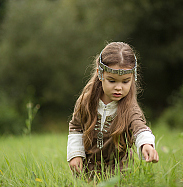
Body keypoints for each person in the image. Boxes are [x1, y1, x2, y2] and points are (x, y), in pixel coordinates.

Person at [67, 42, 159, 177]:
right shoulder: (86, 101)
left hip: (120, 172)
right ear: (100, 74)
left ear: (133, 78)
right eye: (112, 81)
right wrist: (75, 154)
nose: (118, 87)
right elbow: (76, 127)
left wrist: (146, 144)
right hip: (88, 170)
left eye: (125, 81)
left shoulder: (130, 108)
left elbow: (139, 127)